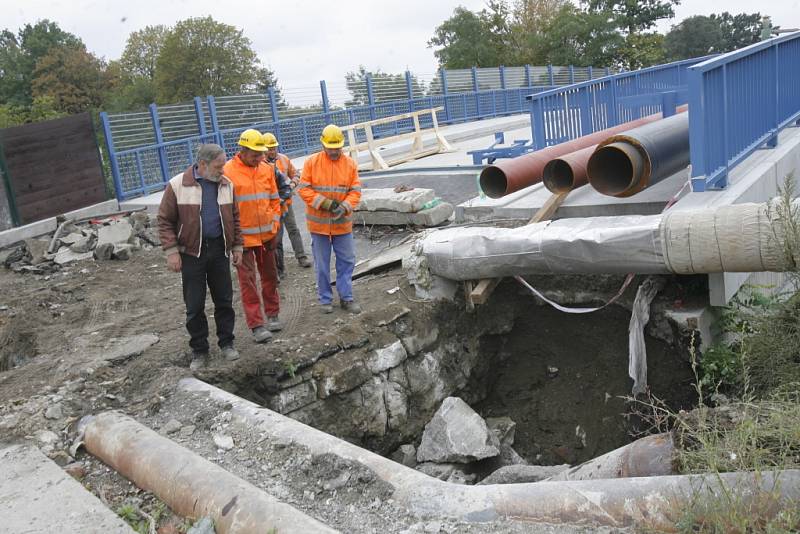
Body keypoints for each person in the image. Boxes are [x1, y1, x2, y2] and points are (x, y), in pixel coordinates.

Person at [157, 143, 243, 370]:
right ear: (202, 165)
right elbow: (164, 221)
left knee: (224, 299)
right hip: (191, 253)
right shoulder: (178, 185)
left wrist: (237, 247)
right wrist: (171, 251)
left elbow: (235, 218)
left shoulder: (226, 185)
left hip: (218, 249)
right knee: (194, 304)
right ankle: (199, 350)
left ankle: (227, 343)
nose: (223, 170)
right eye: (219, 166)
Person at [223, 128, 283, 342]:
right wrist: (233, 240)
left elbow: (275, 200)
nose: (260, 158)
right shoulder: (227, 172)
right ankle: (257, 324)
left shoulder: (266, 169)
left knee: (270, 276)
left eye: (261, 154)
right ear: (243, 150)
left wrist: (274, 226)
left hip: (267, 236)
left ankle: (273, 314)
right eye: (256, 154)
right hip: (243, 240)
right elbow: (225, 208)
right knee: (247, 282)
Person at [298, 124, 363, 314]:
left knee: (347, 260)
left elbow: (355, 191)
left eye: (337, 147)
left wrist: (345, 206)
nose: (334, 151)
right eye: (330, 147)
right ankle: (325, 299)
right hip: (319, 225)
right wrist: (324, 203)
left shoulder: (350, 164)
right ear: (323, 144)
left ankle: (346, 297)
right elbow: (303, 189)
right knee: (322, 264)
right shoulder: (312, 162)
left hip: (342, 223)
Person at [262, 132, 312, 276]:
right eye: (269, 149)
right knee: (276, 237)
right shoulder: (261, 164)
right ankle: (279, 268)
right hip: (272, 206)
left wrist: (291, 185)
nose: (272, 151)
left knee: (293, 230)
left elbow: (296, 174)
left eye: (274, 148)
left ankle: (301, 257)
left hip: (286, 203)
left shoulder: (283, 159)